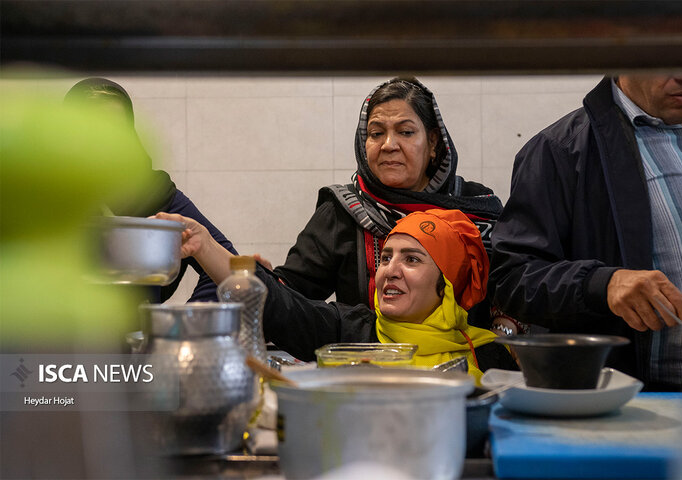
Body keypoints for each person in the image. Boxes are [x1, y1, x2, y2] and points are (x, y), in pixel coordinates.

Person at [489, 74, 682, 391]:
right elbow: (513, 278)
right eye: (666, 56)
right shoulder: (562, 150)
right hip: (649, 401)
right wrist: (602, 284)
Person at [265, 77, 521, 333]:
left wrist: (505, 331)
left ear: (433, 142)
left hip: (464, 365)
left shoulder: (474, 208)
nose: (389, 145)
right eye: (376, 134)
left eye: (405, 132)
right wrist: (268, 284)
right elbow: (294, 292)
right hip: (369, 362)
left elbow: (512, 287)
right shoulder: (344, 211)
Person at [156, 208, 517, 385]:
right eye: (386, 257)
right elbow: (280, 307)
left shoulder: (487, 354)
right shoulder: (350, 331)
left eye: (412, 260)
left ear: (447, 284)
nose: (390, 270)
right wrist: (204, 247)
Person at [64, 78, 238, 302]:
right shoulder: (40, 195)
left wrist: (186, 322)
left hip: (136, 335)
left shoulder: (154, 193)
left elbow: (230, 269)